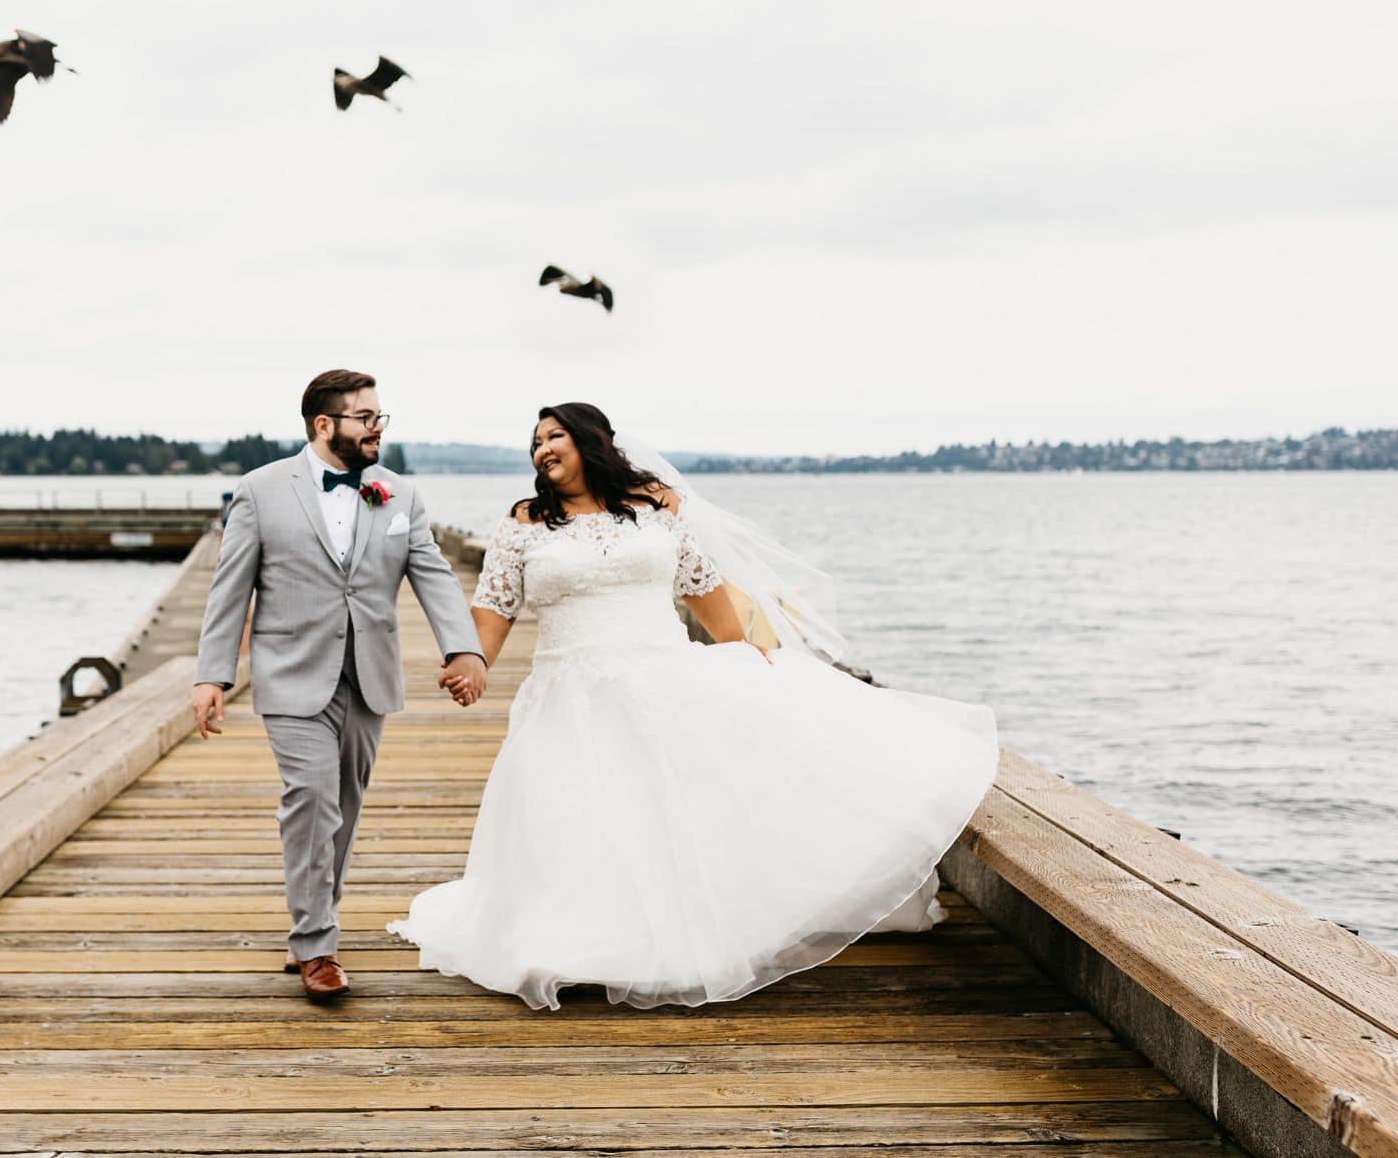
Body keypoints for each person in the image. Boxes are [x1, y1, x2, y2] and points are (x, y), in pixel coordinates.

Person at [387, 402, 998, 1009]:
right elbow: (492, 614)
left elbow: (702, 590)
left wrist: (745, 654)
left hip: (664, 680)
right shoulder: (524, 522)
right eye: (535, 442)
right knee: (573, 815)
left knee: (669, 813)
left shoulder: (657, 509)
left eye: (556, 437)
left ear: (591, 442)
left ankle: (669, 936)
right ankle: (572, 942)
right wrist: (473, 664)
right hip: (568, 693)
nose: (543, 449)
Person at [192, 369, 488, 1001]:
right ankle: (317, 945)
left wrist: (464, 648)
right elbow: (230, 588)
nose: (377, 428)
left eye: (381, 417)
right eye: (366, 417)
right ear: (324, 425)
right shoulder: (261, 490)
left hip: (369, 674)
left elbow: (432, 574)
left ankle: (313, 924)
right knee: (312, 800)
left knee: (344, 810)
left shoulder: (397, 494)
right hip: (291, 674)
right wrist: (212, 674)